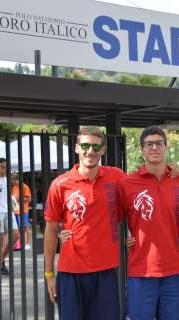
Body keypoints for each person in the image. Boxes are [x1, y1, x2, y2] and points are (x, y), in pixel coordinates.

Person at [44, 126, 126, 320]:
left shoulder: (117, 177)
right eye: (86, 146)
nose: (90, 151)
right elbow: (50, 228)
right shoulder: (60, 184)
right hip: (70, 272)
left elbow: (143, 184)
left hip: (105, 271)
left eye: (96, 147)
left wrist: (169, 169)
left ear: (103, 150)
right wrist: (49, 274)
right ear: (76, 148)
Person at [117, 126, 179, 320]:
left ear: (166, 147)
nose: (154, 148)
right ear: (142, 150)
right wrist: (123, 238)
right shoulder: (127, 183)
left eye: (159, 143)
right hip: (141, 272)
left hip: (173, 271)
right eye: (149, 144)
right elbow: (109, 219)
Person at [11, 173, 31, 250]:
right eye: (12, 180)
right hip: (16, 211)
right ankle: (19, 244)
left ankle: (27, 243)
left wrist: (19, 198)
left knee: (25, 227)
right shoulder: (14, 187)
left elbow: (29, 199)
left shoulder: (25, 187)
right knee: (18, 228)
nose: (13, 182)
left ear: (18, 179)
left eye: (14, 180)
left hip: (23, 211)